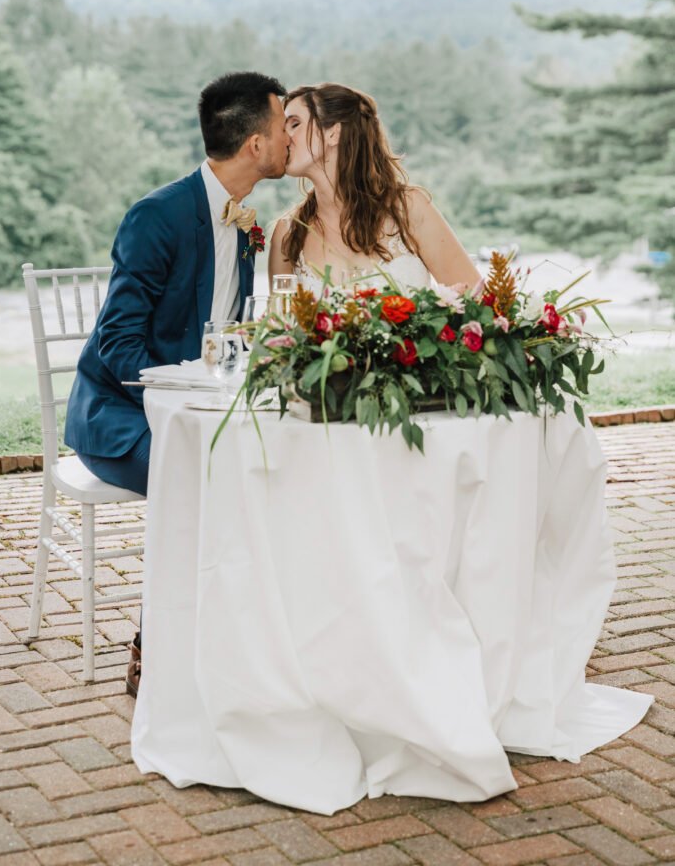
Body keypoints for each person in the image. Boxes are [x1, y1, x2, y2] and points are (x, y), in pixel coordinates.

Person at [65, 71, 289, 695]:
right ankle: (154, 646)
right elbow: (119, 346)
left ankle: (240, 643)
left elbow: (228, 331)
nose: (289, 141)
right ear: (253, 145)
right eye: (281, 128)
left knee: (261, 469)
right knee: (205, 476)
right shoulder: (157, 216)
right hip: (120, 419)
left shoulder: (246, 223)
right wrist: (185, 402)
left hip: (202, 412)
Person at [269, 83, 480, 293]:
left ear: (334, 133)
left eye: (295, 125)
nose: (285, 138)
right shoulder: (288, 233)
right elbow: (280, 322)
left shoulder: (409, 209)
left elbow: (477, 304)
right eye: (283, 129)